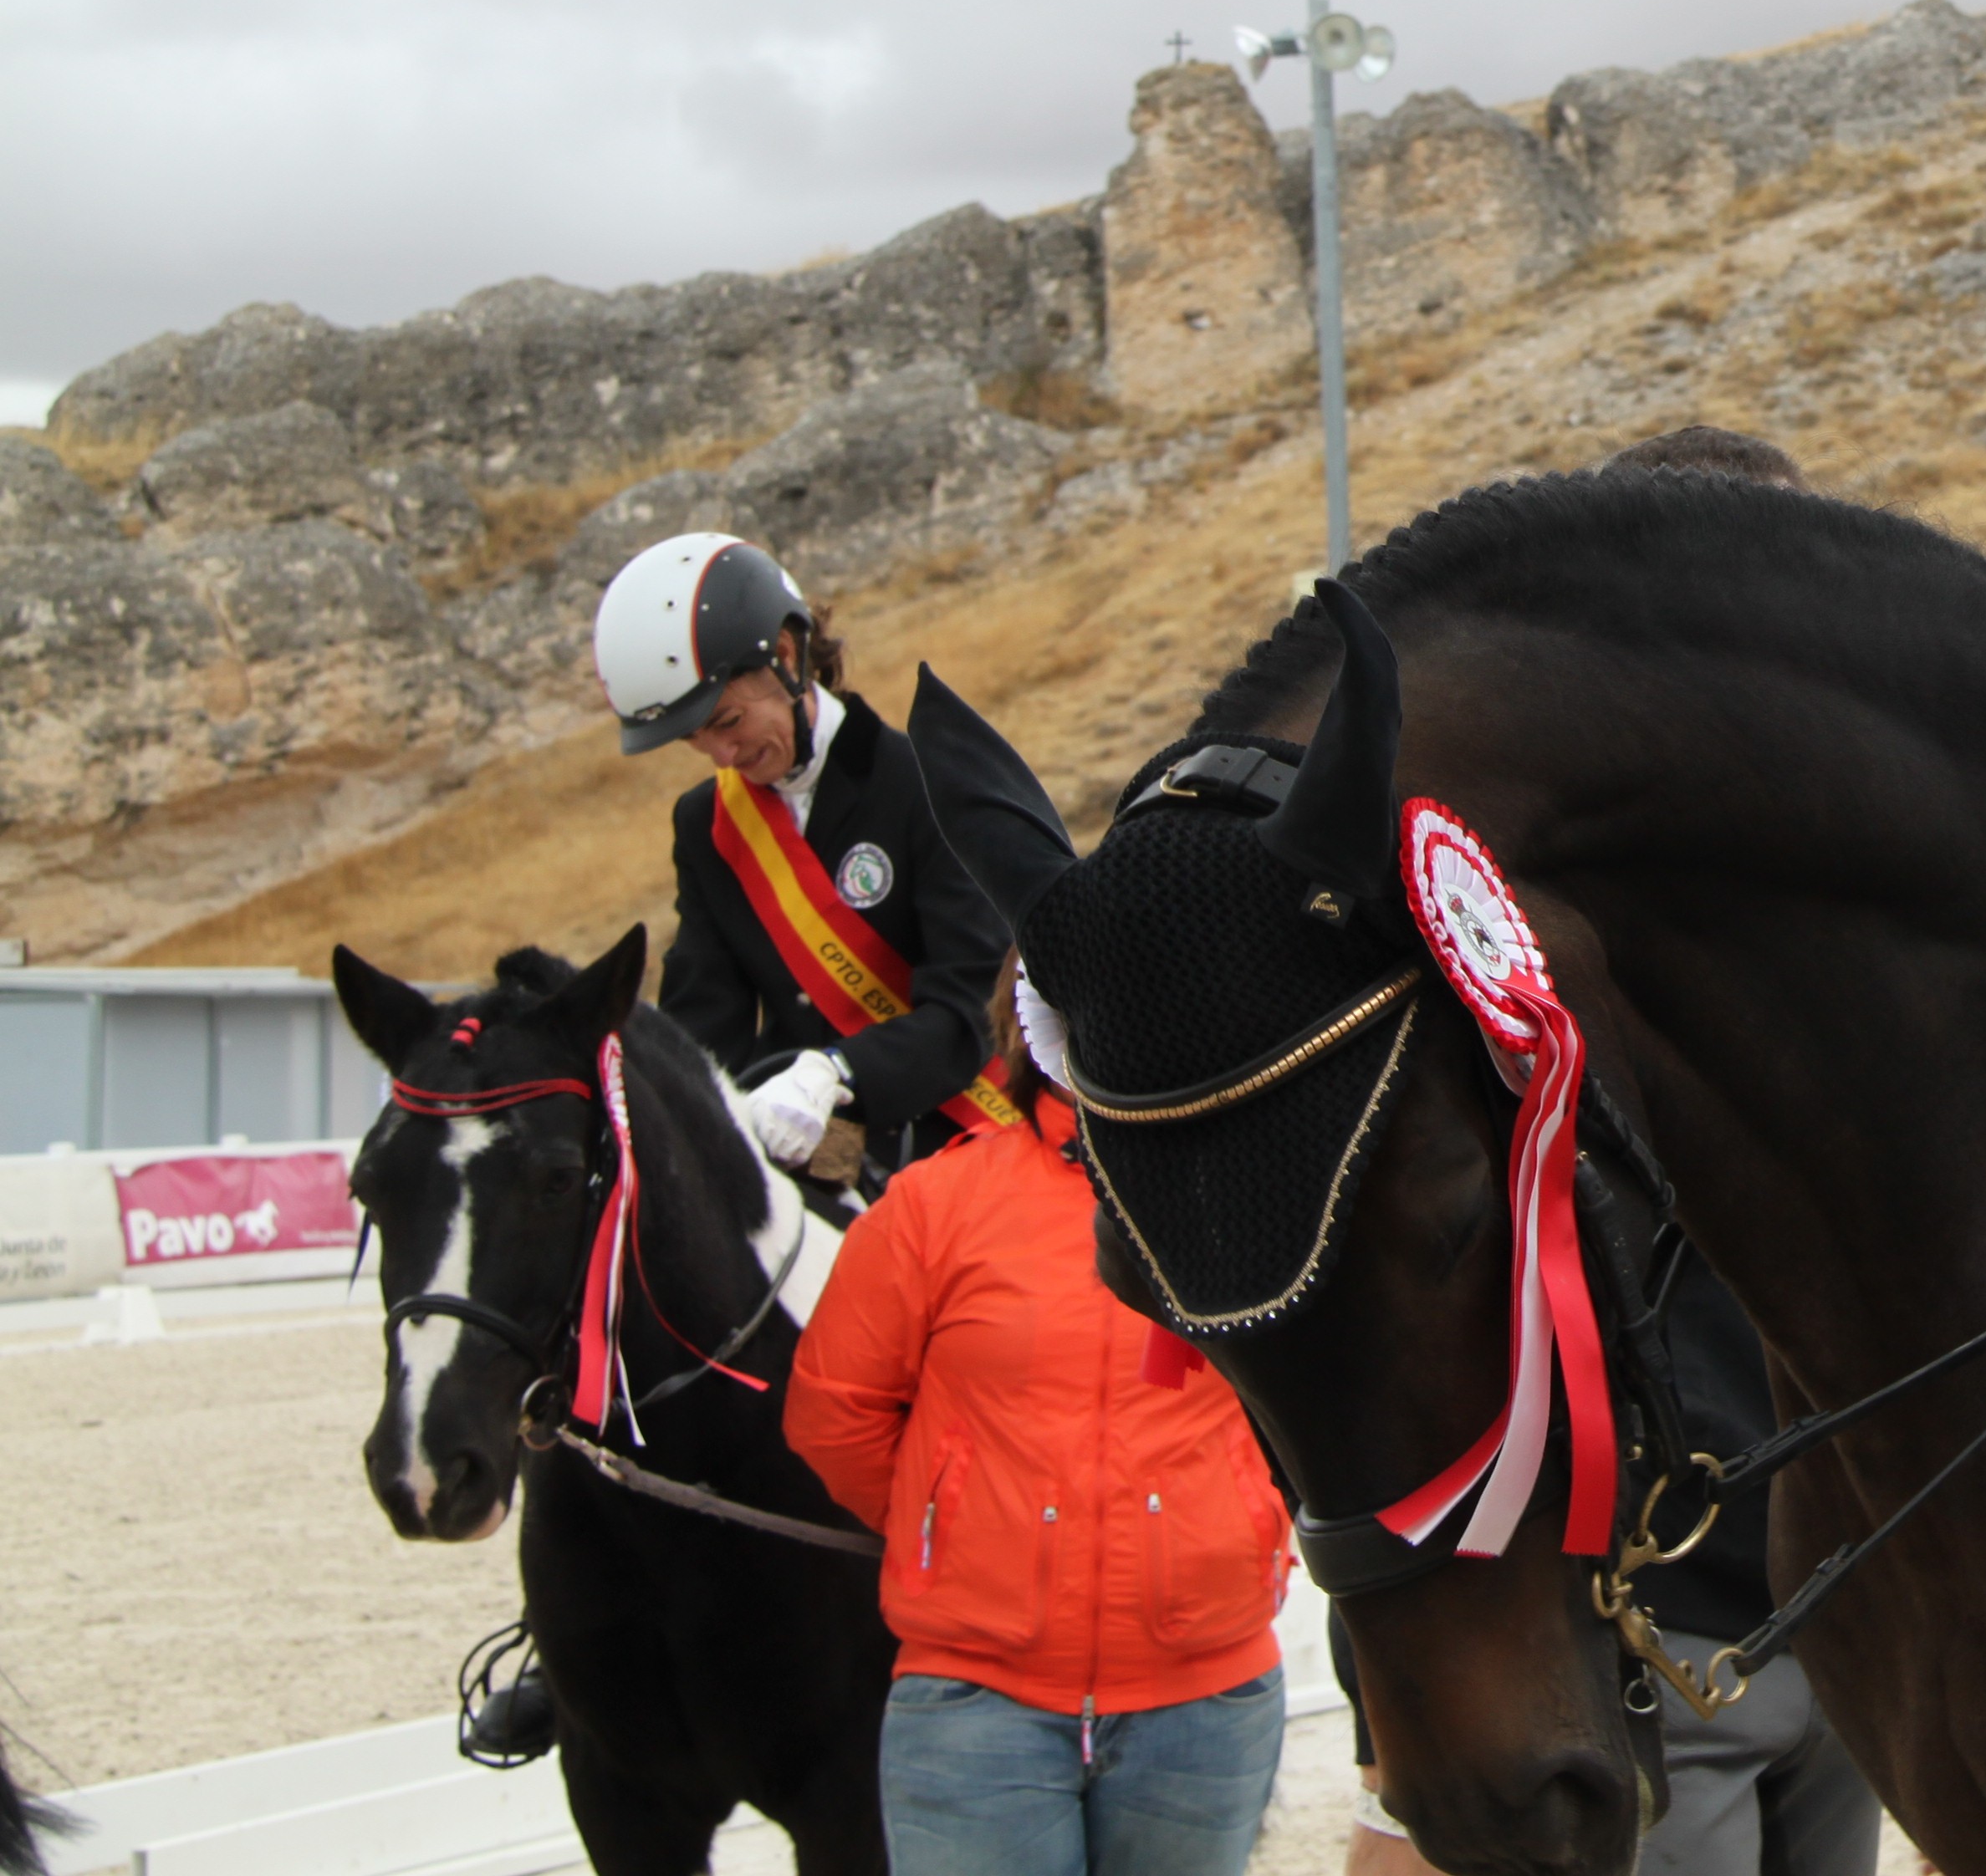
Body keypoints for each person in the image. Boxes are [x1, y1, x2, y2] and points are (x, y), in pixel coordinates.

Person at [1340, 423, 1883, 1876]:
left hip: (1850, 1611)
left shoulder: (1863, 896)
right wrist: (1394, 1711)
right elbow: (1423, 1299)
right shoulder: (1508, 924)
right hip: (1648, 1632)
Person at [786, 989, 1293, 1875]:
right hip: (975, 1708)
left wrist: (1238, 1518)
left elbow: (1325, 1398)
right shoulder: (934, 1203)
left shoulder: (1257, 1197)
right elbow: (835, 1412)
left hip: (1207, 1702)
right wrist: (951, 1525)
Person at [594, 532, 1010, 1184]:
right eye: (695, 739)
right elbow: (705, 1025)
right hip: (811, 1150)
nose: (722, 757)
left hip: (959, 1133)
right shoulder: (706, 824)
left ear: (786, 658)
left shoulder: (924, 782)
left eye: (728, 722)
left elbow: (970, 1012)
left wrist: (836, 1071)